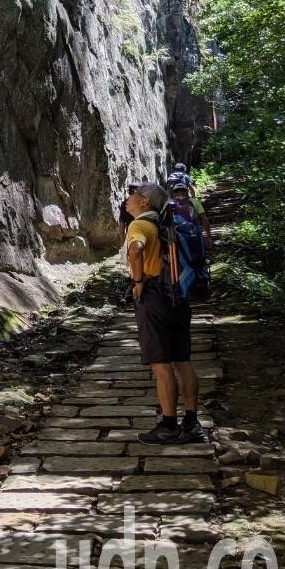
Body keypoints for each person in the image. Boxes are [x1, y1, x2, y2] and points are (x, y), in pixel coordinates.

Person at [122, 182, 204, 444]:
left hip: (154, 296)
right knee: (183, 361)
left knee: (161, 364)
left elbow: (136, 250)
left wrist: (138, 281)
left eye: (133, 194)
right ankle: (191, 423)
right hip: (178, 296)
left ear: (144, 201)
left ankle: (169, 425)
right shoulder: (169, 224)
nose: (128, 198)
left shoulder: (140, 225)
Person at [170, 181, 213, 253]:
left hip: (177, 236)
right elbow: (204, 219)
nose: (180, 193)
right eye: (178, 191)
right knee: (197, 254)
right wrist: (209, 237)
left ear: (173, 193)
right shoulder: (195, 202)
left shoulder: (170, 203)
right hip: (194, 233)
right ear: (187, 192)